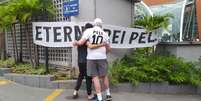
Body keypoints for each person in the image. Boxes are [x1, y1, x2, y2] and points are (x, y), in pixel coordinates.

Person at [73, 18, 112, 101]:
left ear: (94, 24)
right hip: (102, 57)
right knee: (104, 76)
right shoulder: (105, 33)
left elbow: (81, 43)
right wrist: (104, 51)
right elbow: (109, 48)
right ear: (101, 25)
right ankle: (108, 95)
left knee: (94, 77)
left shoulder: (88, 32)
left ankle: (99, 98)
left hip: (90, 58)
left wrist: (76, 42)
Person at [72, 23, 95, 100]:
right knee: (88, 77)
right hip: (87, 60)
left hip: (80, 60)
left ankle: (75, 91)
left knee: (81, 75)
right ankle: (89, 95)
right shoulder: (87, 38)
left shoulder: (79, 36)